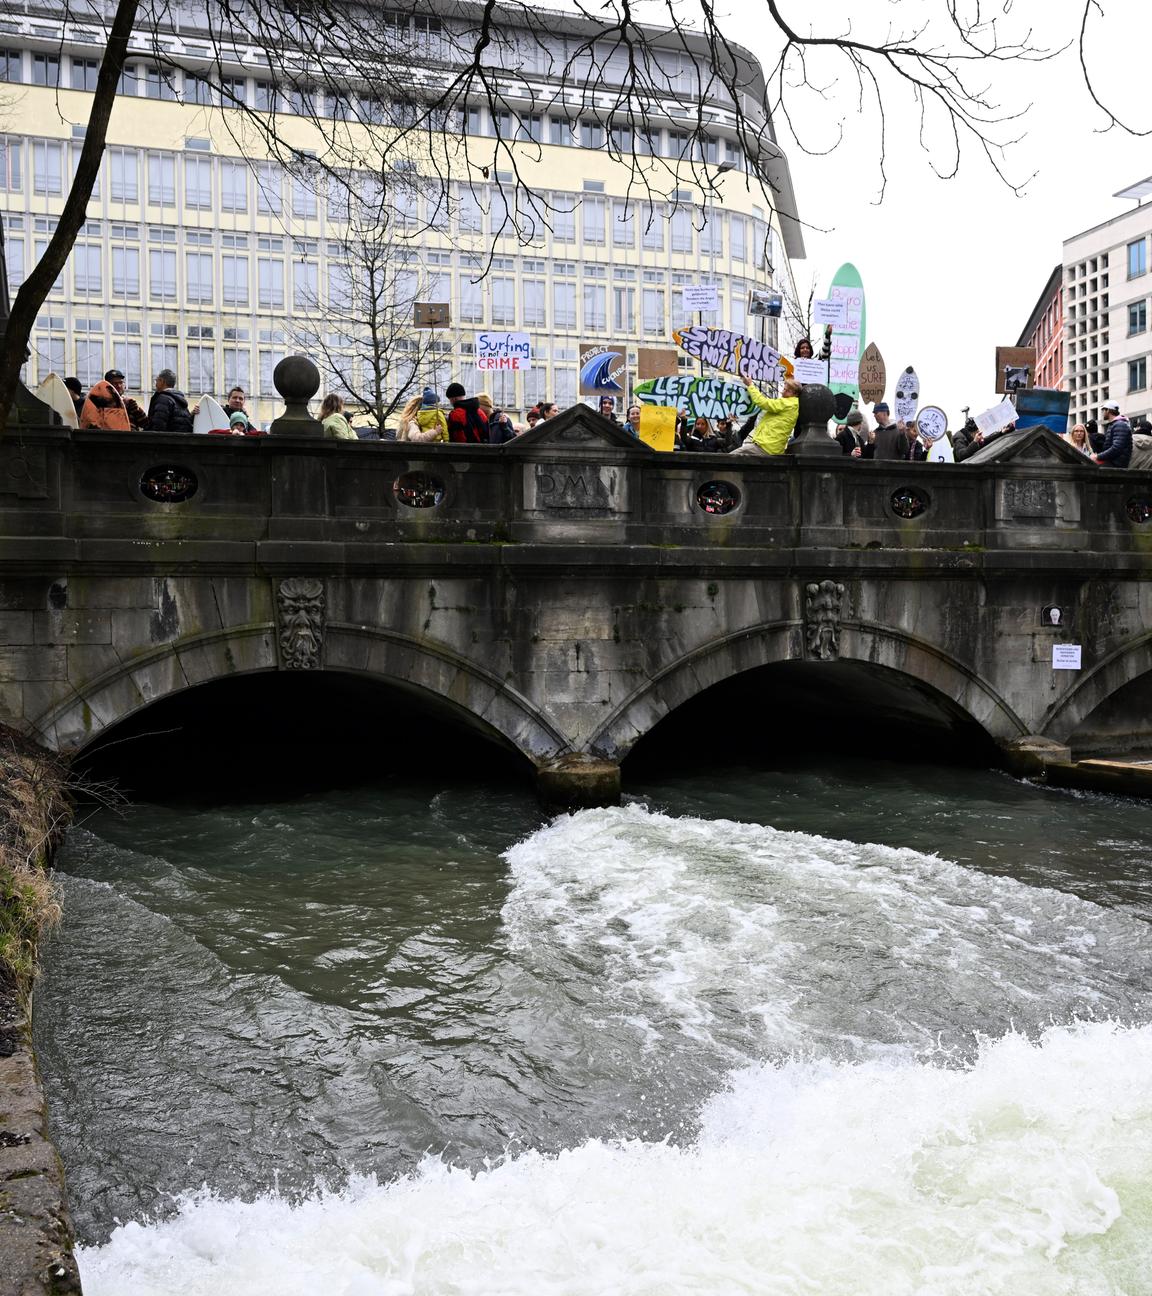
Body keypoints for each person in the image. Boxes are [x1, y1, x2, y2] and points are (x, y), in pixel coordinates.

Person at [730, 377, 801, 456]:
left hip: (766, 446)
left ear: (795, 393)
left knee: (729, 457)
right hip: (773, 447)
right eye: (784, 389)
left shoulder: (787, 403)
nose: (782, 392)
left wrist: (750, 385)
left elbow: (763, 403)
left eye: (787, 390)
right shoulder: (794, 405)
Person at [144, 368, 194, 433]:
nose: (155, 384)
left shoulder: (163, 399)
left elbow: (158, 427)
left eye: (157, 380)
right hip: (181, 438)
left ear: (162, 381)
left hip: (168, 438)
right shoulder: (180, 400)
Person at [1094, 401, 1132, 468]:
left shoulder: (1119, 425)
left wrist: (1098, 456)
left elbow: (1116, 448)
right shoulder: (1115, 424)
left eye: (1103, 410)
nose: (1102, 413)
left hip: (1115, 465)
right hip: (1113, 463)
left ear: (1108, 410)